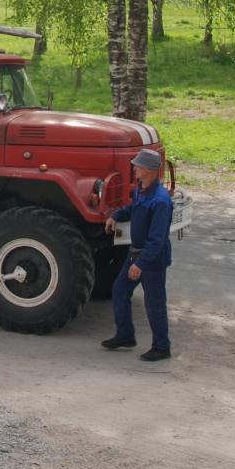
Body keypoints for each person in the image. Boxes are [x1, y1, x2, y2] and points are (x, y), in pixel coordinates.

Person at [102, 148, 174, 361]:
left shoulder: (160, 201)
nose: (134, 167)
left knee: (154, 303)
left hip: (151, 260)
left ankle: (162, 347)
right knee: (120, 290)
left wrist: (140, 264)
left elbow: (157, 240)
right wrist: (116, 215)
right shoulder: (141, 190)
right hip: (136, 255)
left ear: (150, 170)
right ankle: (125, 335)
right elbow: (132, 209)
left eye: (138, 165)